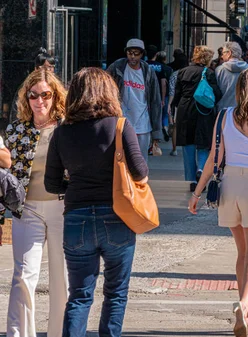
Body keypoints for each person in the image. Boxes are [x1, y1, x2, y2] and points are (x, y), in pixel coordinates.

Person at [45, 67, 149, 336]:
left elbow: (51, 184)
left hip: (77, 216)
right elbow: (140, 171)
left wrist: (77, 183)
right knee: (115, 293)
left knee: (79, 295)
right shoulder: (119, 125)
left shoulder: (62, 133)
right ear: (108, 92)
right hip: (116, 215)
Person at [187, 68, 248, 337]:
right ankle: (243, 304)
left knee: (242, 254)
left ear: (240, 90)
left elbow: (214, 159)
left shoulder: (225, 116)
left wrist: (197, 193)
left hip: (229, 185)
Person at [4, 69, 68, 337]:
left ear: (55, 96)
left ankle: (59, 333)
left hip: (62, 209)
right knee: (23, 276)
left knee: (61, 280)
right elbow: (6, 175)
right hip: (27, 210)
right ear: (26, 98)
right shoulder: (16, 130)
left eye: (45, 94)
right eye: (33, 95)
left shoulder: (67, 127)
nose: (39, 101)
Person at [172, 46, 222, 192]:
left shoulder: (183, 72)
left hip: (184, 109)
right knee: (203, 143)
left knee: (188, 145)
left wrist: (174, 108)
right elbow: (217, 93)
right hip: (203, 110)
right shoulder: (209, 73)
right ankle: (201, 168)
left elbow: (177, 94)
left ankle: (192, 179)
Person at [106, 38, 162, 163]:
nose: (132, 56)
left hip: (143, 123)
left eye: (136, 53)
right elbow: (104, 85)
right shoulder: (117, 67)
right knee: (120, 158)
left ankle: (139, 182)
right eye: (129, 53)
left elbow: (155, 101)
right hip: (121, 121)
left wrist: (156, 133)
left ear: (142, 54)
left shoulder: (147, 71)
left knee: (140, 160)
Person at [216, 42, 248, 110]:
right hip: (243, 111)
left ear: (229, 53)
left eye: (223, 53)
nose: (221, 56)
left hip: (223, 110)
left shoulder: (219, 70)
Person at [167, 49, 190, 156]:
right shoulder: (191, 73)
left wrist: (169, 104)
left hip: (177, 102)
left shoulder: (174, 74)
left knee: (176, 126)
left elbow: (171, 91)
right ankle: (188, 147)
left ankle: (174, 149)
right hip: (189, 102)